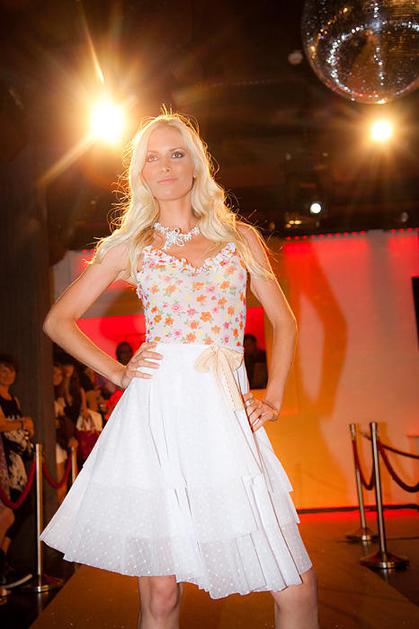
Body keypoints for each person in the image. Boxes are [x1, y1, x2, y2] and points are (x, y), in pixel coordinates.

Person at [39, 112, 318, 628]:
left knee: (296, 587)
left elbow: (284, 320)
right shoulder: (131, 245)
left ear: (196, 166)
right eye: (152, 157)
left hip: (225, 414)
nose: (164, 166)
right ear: (140, 173)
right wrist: (118, 372)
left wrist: (274, 395)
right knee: (162, 596)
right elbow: (59, 320)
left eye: (175, 154)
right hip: (158, 416)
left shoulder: (240, 238)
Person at [0, 354, 34, 590]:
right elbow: (3, 425)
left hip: (15, 461)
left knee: (21, 508)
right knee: (8, 512)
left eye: (10, 370)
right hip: (3, 460)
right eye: (2, 370)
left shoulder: (14, 398)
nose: (7, 374)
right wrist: (23, 423)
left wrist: (25, 426)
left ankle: (2, 559)